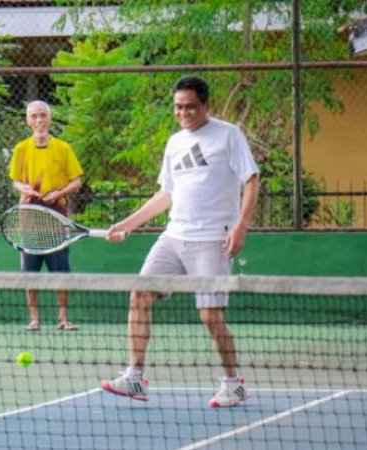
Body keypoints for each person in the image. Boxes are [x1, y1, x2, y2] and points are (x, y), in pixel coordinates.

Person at [100, 76, 260, 407]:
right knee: (140, 294)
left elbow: (251, 180)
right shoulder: (174, 143)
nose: (183, 113)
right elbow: (166, 194)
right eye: (178, 107)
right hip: (173, 237)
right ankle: (135, 378)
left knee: (210, 317)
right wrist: (126, 225)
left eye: (190, 107)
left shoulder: (228, 135)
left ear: (206, 106)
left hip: (212, 240)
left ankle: (233, 383)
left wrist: (241, 226)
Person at [8, 100, 84, 332]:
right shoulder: (21, 148)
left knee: (60, 273)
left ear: (49, 119)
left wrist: (59, 193)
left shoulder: (63, 148)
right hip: (29, 219)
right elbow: (15, 181)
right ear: (28, 121)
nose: (39, 120)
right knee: (30, 274)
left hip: (57, 218)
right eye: (34, 116)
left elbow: (77, 182)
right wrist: (25, 189)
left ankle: (63, 319)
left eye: (43, 115)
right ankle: (34, 320)